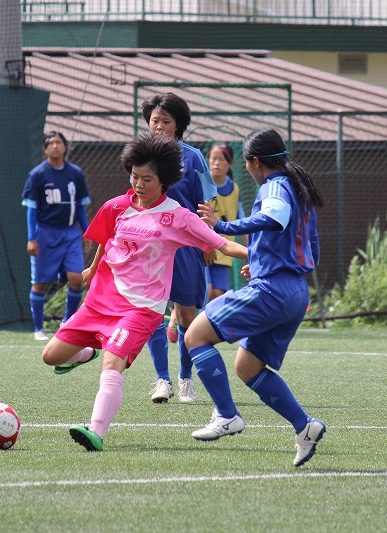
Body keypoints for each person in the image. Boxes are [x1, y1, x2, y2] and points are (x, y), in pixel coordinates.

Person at [40, 131, 247, 452]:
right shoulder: (115, 207)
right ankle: (90, 350)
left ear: (163, 180)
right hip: (99, 303)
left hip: (141, 309)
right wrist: (93, 271)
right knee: (50, 357)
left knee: (113, 366)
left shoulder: (178, 216)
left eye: (147, 179)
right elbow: (104, 241)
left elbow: (223, 245)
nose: (138, 184)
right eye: (135, 176)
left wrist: (262, 258)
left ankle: (95, 431)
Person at [188, 128, 326, 467]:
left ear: (253, 162)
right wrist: (265, 261)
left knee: (194, 334)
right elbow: (313, 250)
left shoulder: (274, 185)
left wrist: (220, 226)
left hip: (275, 290)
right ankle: (304, 426)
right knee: (247, 366)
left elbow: (274, 218)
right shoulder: (299, 190)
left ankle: (226, 415)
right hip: (294, 291)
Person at [141, 93, 217, 404]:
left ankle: (186, 379)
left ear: (178, 125)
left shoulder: (194, 157)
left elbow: (204, 204)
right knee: (151, 313)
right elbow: (134, 200)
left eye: (166, 121)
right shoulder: (142, 155)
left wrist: (208, 239)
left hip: (186, 245)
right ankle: (163, 380)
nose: (158, 126)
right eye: (154, 120)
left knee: (186, 314)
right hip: (151, 246)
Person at [22, 132, 92, 341]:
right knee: (40, 283)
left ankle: (67, 323)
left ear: (64, 147)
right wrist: (32, 237)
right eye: (50, 143)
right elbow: (31, 210)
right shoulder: (37, 175)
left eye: (58, 142)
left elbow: (79, 206)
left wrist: (86, 231)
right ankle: (38, 329)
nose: (55, 146)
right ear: (45, 149)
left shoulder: (75, 173)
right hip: (45, 233)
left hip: (70, 233)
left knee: (76, 279)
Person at [206, 142, 248, 301]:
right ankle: (178, 322)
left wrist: (253, 246)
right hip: (201, 247)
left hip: (223, 250)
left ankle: (209, 325)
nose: (216, 163)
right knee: (206, 291)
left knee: (217, 295)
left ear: (230, 163)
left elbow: (242, 221)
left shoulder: (234, 189)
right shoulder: (202, 183)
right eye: (213, 158)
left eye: (221, 159)